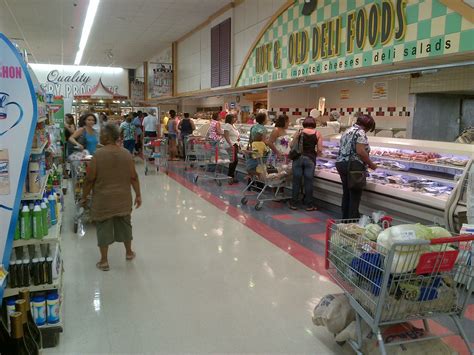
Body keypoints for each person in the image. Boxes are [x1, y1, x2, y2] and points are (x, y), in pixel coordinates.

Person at [81, 123, 142, 271]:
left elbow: (90, 179)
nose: (99, 136)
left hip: (103, 200)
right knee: (126, 225)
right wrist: (138, 195)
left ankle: (104, 261)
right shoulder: (126, 154)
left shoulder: (98, 155)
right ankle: (128, 252)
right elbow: (133, 177)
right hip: (123, 198)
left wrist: (84, 196)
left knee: (103, 228)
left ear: (106, 136)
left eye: (101, 134)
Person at [336, 114, 377, 219]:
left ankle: (344, 219)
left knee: (346, 193)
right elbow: (361, 151)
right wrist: (371, 164)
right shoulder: (360, 132)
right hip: (354, 167)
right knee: (354, 196)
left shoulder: (347, 130)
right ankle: (352, 222)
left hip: (341, 164)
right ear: (367, 126)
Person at [288, 116, 323, 211]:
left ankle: (293, 203)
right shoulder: (317, 133)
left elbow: (291, 145)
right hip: (310, 159)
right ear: (314, 124)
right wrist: (319, 155)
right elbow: (319, 149)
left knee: (296, 181)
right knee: (309, 182)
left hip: (298, 158)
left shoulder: (299, 132)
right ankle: (309, 205)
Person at [222, 113, 240, 184]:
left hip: (235, 144)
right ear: (230, 119)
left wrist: (238, 138)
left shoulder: (233, 125)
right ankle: (230, 177)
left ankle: (231, 177)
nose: (235, 119)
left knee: (234, 160)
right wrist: (230, 144)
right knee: (234, 160)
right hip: (231, 145)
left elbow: (235, 134)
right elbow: (226, 136)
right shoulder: (227, 125)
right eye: (233, 118)